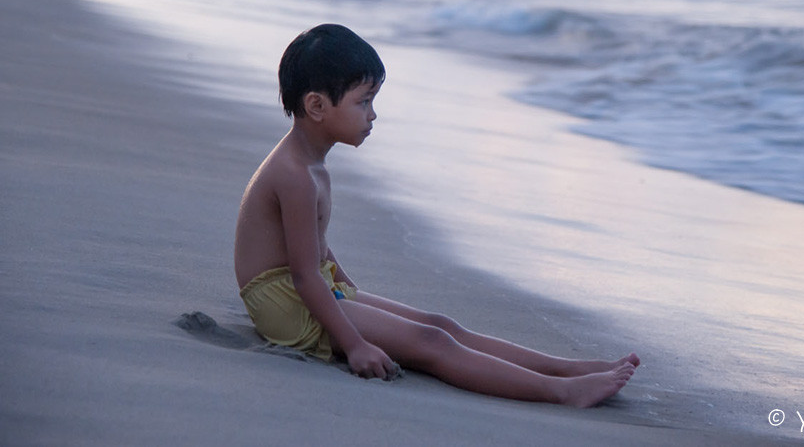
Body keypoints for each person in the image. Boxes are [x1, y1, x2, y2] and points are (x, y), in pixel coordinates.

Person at [234, 24, 639, 406]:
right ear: (317, 106)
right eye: (364, 102)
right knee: (432, 343)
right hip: (284, 302)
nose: (373, 115)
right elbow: (304, 275)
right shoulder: (296, 176)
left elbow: (316, 250)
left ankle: (566, 369)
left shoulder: (309, 163)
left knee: (441, 323)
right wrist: (356, 343)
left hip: (299, 286)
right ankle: (563, 392)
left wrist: (350, 292)